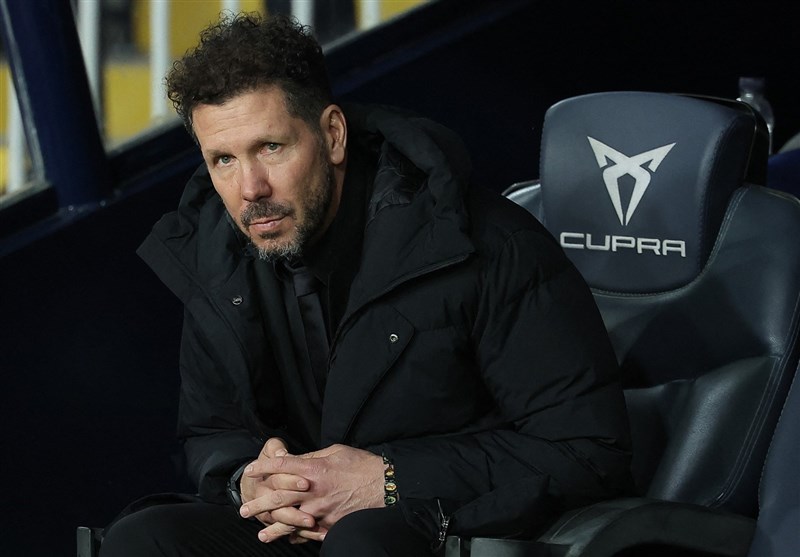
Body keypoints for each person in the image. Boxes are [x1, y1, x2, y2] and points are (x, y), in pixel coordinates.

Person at [100, 12, 633, 557]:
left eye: (271, 148)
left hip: (449, 525)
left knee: (361, 542)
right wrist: (248, 479)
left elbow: (589, 452)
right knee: (144, 539)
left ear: (332, 135)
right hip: (306, 526)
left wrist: (391, 478)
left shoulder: (488, 245)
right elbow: (211, 432)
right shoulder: (217, 260)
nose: (250, 188)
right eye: (224, 160)